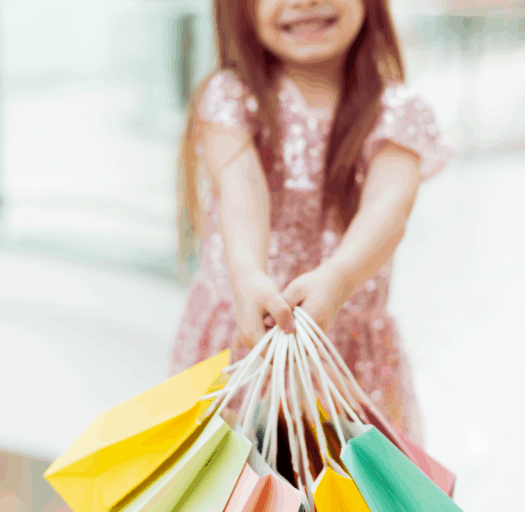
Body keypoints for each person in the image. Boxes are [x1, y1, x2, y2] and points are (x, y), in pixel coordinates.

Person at [171, 0, 455, 445]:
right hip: (239, 345)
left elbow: (390, 205)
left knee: (345, 488)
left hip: (347, 359)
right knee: (226, 483)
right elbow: (241, 185)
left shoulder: (398, 110)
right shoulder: (230, 96)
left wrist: (339, 278)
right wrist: (247, 274)